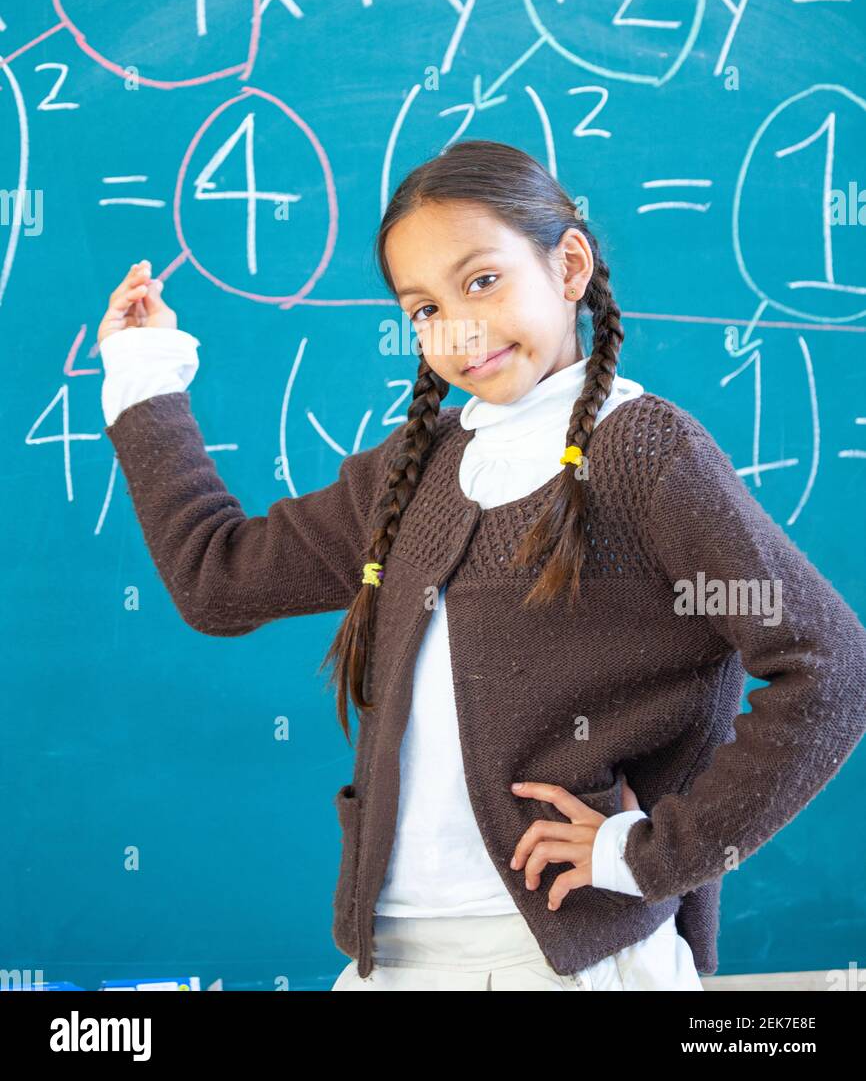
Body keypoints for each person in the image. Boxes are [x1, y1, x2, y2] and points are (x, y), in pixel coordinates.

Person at [98, 139, 866, 991]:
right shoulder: (413, 469)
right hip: (393, 957)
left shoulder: (648, 454)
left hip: (574, 961)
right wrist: (144, 378)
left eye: (483, 281)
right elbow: (216, 580)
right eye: (422, 308)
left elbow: (830, 665)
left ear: (569, 265)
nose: (456, 328)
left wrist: (652, 854)